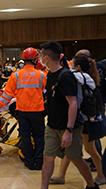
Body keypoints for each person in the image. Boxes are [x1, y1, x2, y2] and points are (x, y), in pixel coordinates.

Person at [39, 41, 99, 189]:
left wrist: (69, 130)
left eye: (41, 55)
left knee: (77, 159)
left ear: (47, 57)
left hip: (68, 127)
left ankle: (92, 185)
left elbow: (73, 103)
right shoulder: (50, 75)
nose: (40, 58)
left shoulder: (66, 76)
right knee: (47, 158)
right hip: (52, 126)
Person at [50, 53, 105, 186]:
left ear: (78, 66)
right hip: (87, 118)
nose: (70, 66)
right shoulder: (88, 77)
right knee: (71, 147)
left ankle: (101, 175)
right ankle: (61, 175)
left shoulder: (77, 76)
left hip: (81, 119)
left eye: (72, 64)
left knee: (89, 149)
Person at [0, 47, 46, 170]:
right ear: (36, 60)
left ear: (24, 61)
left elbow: (7, 95)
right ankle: (39, 161)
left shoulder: (16, 75)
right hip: (37, 111)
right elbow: (45, 91)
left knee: (25, 135)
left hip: (22, 111)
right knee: (39, 136)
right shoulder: (42, 75)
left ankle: (29, 161)